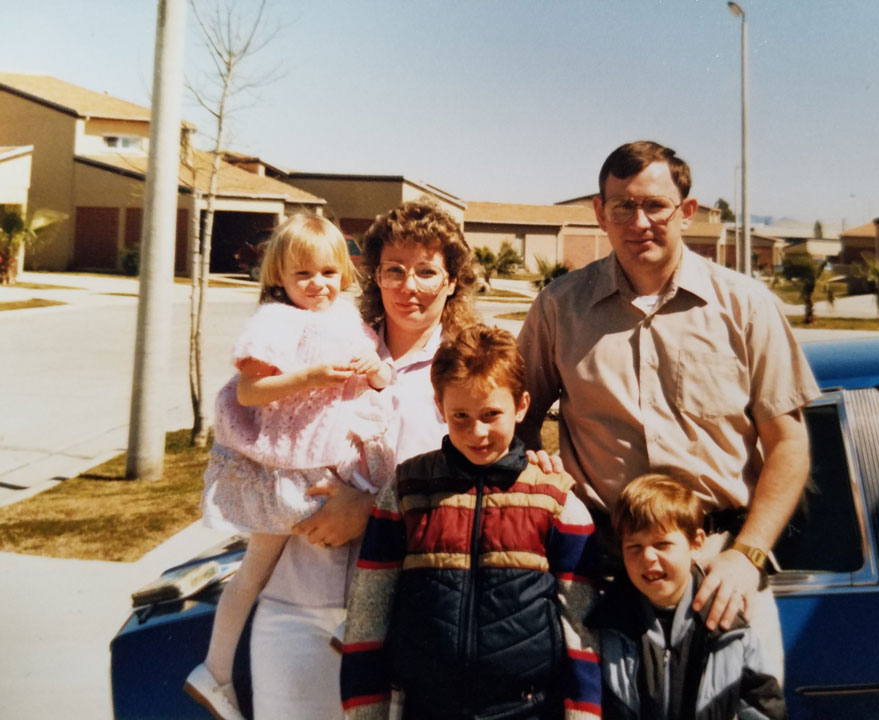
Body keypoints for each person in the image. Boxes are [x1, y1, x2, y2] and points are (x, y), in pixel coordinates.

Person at [517, 140, 821, 677]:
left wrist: (746, 556)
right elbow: (514, 423)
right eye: (623, 206)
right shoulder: (558, 309)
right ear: (599, 212)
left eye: (655, 205)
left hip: (722, 570)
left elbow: (789, 444)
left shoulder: (747, 307)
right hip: (601, 579)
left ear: (687, 211)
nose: (640, 222)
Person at [247, 200, 479, 719]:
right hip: (296, 604)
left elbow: (480, 497)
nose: (408, 286)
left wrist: (371, 509)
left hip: (407, 617)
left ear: (452, 281)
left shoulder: (466, 370)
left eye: (426, 271)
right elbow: (259, 426)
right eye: (393, 270)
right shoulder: (327, 342)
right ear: (374, 276)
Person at [185, 213, 394, 720]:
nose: (317, 285)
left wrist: (377, 371)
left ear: (344, 272)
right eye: (303, 275)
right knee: (257, 565)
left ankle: (355, 626)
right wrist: (310, 377)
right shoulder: (275, 320)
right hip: (291, 456)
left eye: (327, 272)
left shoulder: (347, 317)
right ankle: (214, 671)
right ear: (280, 276)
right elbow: (250, 390)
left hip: (339, 450)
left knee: (377, 520)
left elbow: (381, 376)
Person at [340, 324, 602, 720]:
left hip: (527, 709)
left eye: (491, 414)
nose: (476, 432)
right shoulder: (408, 490)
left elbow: (580, 628)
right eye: (460, 415)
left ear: (522, 405)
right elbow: (368, 613)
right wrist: (365, 712)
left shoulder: (556, 500)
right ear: (438, 405)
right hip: (428, 708)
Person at [587, 474, 786, 720]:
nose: (648, 557)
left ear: (695, 543)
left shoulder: (730, 624)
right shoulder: (607, 625)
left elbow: (762, 708)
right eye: (634, 547)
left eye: (662, 544)